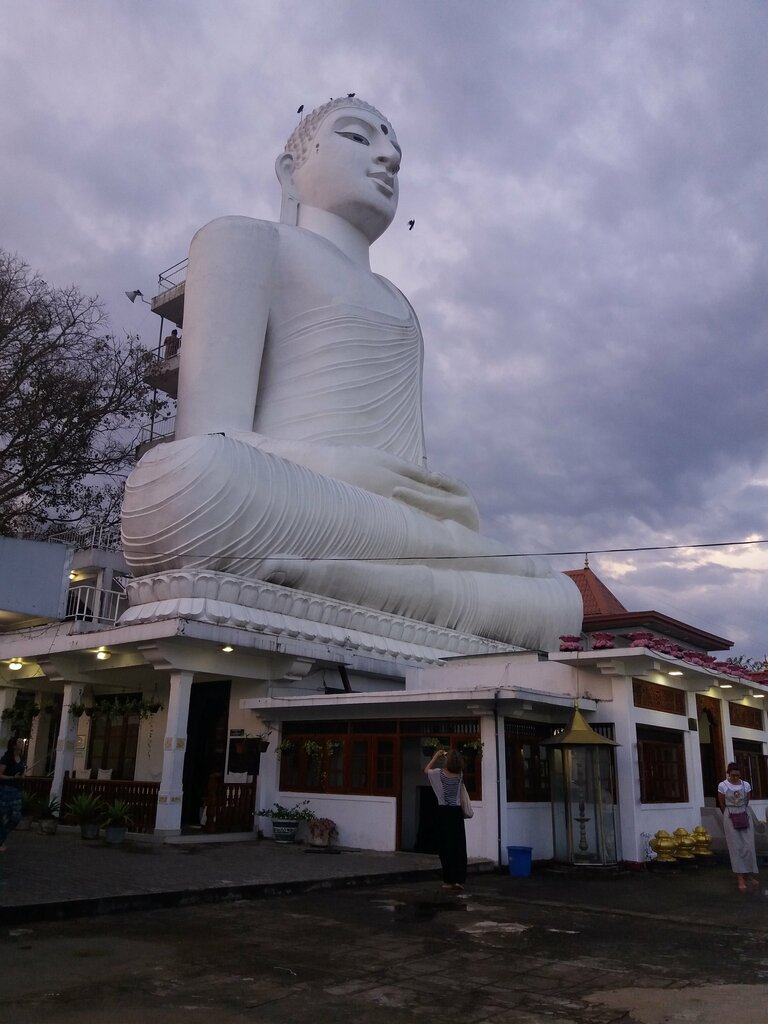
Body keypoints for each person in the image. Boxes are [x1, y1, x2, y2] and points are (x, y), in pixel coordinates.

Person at [122, 97, 582, 651]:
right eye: (360, 138)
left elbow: (414, 479)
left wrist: (430, 502)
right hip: (291, 493)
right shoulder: (245, 240)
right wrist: (347, 468)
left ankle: (344, 580)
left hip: (386, 522)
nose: (387, 158)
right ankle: (377, 583)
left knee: (560, 597)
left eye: (396, 152)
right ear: (291, 171)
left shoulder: (401, 303)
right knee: (184, 481)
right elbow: (208, 435)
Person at [424, 747, 467, 890]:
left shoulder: (440, 774)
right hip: (456, 813)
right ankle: (459, 879)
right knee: (458, 846)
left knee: (445, 847)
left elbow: (426, 770)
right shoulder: (460, 775)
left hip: (444, 812)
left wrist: (436, 757)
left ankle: (448, 879)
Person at [717, 762, 759, 891]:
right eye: (733, 775)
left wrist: (741, 811)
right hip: (730, 814)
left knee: (748, 845)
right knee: (736, 846)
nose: (735, 778)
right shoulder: (723, 785)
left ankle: (748, 874)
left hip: (744, 813)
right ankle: (740, 877)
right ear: (728, 773)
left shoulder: (745, 785)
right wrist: (730, 813)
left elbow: (747, 801)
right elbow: (722, 802)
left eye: (738, 775)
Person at [0, 736, 25, 851]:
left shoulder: (21, 758)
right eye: (19, 742)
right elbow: (0, 774)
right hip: (5, 789)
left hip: (16, 789)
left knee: (16, 816)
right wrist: (12, 777)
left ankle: (1, 837)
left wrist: (21, 777)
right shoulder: (7, 758)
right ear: (14, 745)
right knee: (2, 815)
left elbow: (21, 772)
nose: (22, 743)